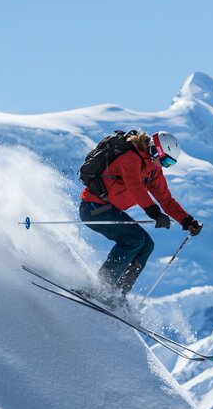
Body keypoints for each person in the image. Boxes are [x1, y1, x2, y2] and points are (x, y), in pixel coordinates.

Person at [79, 130, 202, 304]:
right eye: (165, 160)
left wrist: (187, 221)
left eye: (170, 164)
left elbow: (166, 199)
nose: (164, 166)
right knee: (133, 239)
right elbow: (135, 187)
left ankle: (117, 294)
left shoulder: (153, 171)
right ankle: (99, 288)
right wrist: (154, 213)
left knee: (147, 245)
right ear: (154, 150)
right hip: (93, 208)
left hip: (110, 210)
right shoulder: (131, 158)